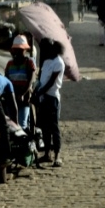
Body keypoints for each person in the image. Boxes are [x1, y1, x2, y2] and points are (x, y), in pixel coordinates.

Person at [34, 38, 65, 166]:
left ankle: (57, 155)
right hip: (44, 98)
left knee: (54, 127)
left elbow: (51, 82)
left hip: (52, 97)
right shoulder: (46, 62)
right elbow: (41, 80)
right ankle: (47, 154)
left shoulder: (58, 62)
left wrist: (39, 93)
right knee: (45, 128)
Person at [4, 35, 37, 131]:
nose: (18, 52)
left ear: (25, 50)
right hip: (12, 97)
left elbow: (30, 80)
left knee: (22, 124)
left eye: (21, 49)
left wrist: (22, 94)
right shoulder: (9, 64)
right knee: (12, 125)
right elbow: (6, 80)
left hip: (24, 98)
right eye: (17, 49)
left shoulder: (29, 62)